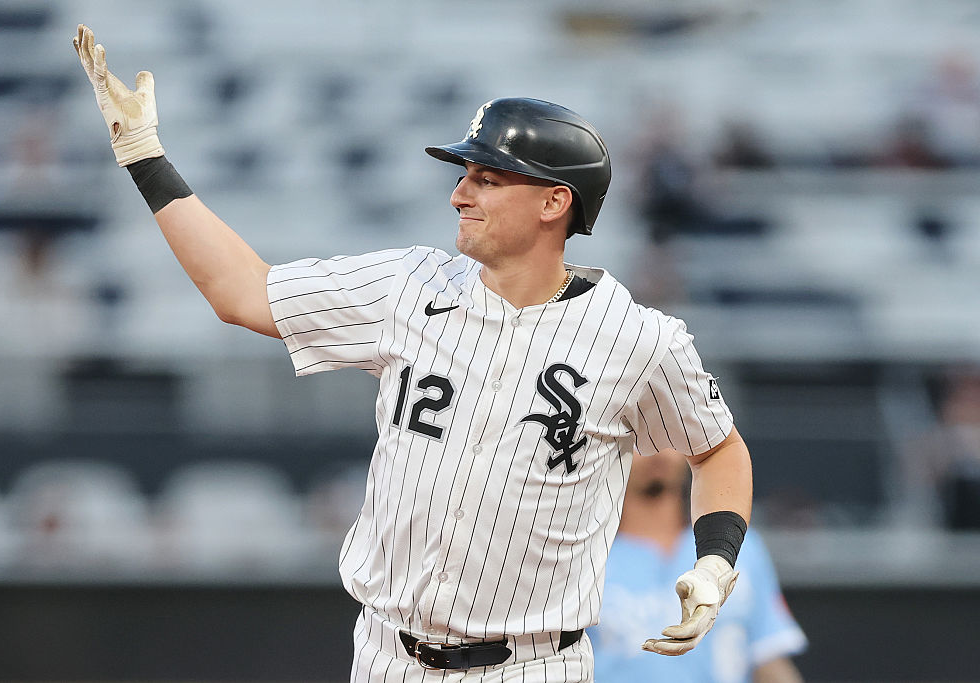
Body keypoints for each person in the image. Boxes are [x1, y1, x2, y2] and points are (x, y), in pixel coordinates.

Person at [73, 24, 754, 682]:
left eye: (488, 178)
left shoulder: (638, 338)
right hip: (385, 655)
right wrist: (143, 154)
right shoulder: (409, 286)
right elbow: (242, 292)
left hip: (532, 664)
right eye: (467, 174)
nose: (460, 192)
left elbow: (718, 449)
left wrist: (717, 561)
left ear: (555, 201)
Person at [590, 449, 807, 683]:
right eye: (639, 440)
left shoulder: (738, 544)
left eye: (668, 436)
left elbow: (768, 656)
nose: (657, 450)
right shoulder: (585, 554)